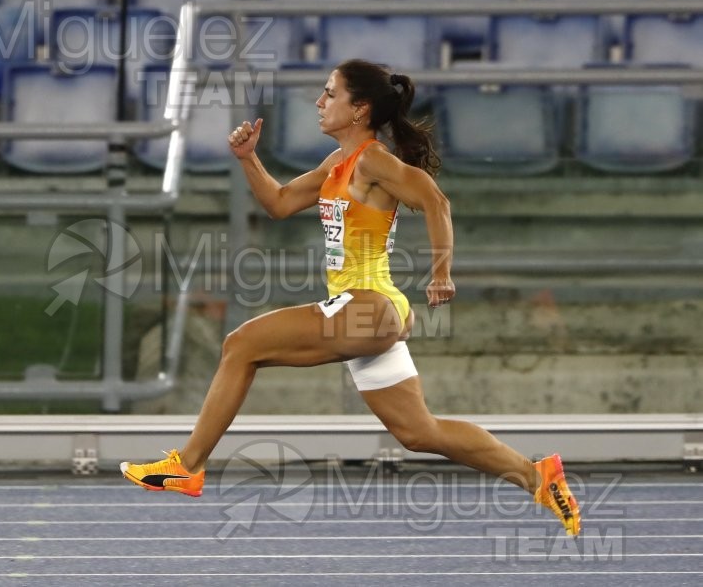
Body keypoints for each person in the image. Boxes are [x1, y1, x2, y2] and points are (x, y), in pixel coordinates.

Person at [120, 59, 581, 537]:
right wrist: (247, 158)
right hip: (369, 316)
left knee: (241, 344)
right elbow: (278, 204)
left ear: (359, 109)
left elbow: (435, 201)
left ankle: (189, 464)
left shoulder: (372, 160)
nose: (319, 103)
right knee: (419, 433)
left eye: (329, 94)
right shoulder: (335, 165)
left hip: (370, 308)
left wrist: (441, 270)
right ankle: (538, 477)